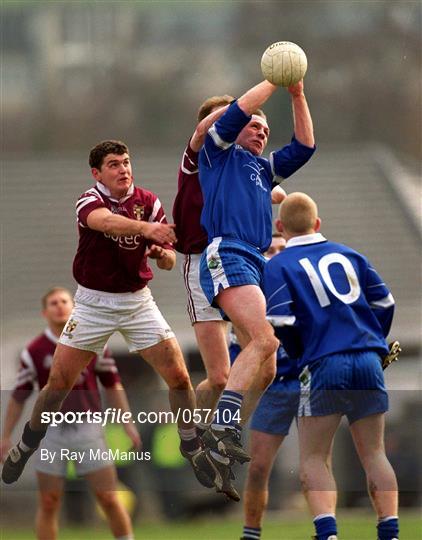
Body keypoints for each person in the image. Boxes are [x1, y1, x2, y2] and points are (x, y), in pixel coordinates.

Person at [1, 140, 211, 490]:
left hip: (137, 302)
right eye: (113, 164)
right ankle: (27, 443)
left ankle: (191, 443)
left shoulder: (148, 201)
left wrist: (162, 254)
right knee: (58, 385)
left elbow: (169, 257)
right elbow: (106, 223)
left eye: (126, 162)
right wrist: (147, 231)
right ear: (97, 173)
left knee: (178, 375)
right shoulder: (89, 200)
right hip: (93, 304)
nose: (123, 169)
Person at [263, 193, 399, 540]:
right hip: (368, 358)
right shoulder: (349, 254)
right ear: (318, 223)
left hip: (323, 363)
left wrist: (299, 352)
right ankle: (390, 531)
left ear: (279, 227)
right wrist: (374, 340)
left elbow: (279, 321)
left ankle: (327, 534)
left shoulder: (278, 265)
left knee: (314, 458)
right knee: (374, 453)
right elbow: (385, 302)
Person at [197, 79, 315, 466]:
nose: (262, 132)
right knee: (264, 340)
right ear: (238, 127)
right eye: (255, 126)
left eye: (267, 130)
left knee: (269, 364)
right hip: (227, 251)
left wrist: (297, 94)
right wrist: (273, 80)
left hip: (254, 260)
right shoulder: (218, 153)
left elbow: (304, 148)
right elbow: (236, 113)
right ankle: (223, 427)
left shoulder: (263, 171)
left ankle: (222, 442)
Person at [1, 287, 139, 540]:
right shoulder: (34, 351)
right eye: (53, 303)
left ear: (73, 306)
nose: (60, 306)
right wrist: (6, 436)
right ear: (45, 312)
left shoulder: (93, 341)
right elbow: (18, 396)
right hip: (49, 432)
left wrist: (127, 423)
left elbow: (112, 384)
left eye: (64, 301)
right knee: (50, 500)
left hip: (88, 427)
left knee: (108, 496)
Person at [225, 234, 300, 540]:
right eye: (271, 250)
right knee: (258, 469)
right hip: (271, 390)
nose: (277, 256)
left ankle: (326, 529)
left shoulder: (302, 289)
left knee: (315, 466)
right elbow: (234, 365)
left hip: (304, 383)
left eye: (283, 250)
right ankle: (251, 533)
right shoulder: (245, 304)